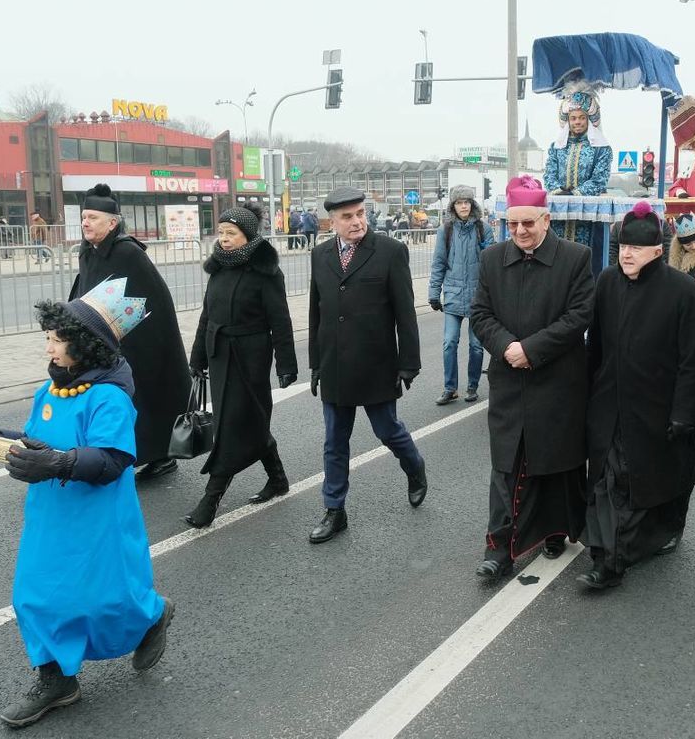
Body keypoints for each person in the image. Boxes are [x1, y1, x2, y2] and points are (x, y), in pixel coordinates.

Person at [0, 281, 173, 728]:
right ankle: (56, 680)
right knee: (32, 595)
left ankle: (152, 615)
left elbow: (113, 460)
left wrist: (57, 462)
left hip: (97, 518)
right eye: (48, 338)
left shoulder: (109, 397)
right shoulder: (49, 392)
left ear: (85, 346)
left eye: (56, 339)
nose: (48, 348)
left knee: (103, 598)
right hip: (50, 515)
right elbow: (35, 441)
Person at [579, 201, 695, 589]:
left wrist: (685, 414)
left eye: (636, 248)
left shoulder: (683, 291)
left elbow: (693, 360)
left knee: (650, 483)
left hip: (657, 410)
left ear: (656, 250)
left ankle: (626, 546)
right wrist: (587, 394)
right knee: (608, 480)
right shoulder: (606, 282)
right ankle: (608, 560)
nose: (627, 255)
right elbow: (596, 345)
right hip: (610, 405)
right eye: (622, 248)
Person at [470, 176, 594, 578]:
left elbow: (579, 316)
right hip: (509, 378)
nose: (520, 232)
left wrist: (532, 350)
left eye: (528, 223)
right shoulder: (492, 259)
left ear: (545, 219)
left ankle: (554, 530)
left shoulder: (575, 257)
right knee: (507, 464)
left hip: (557, 379)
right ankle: (499, 547)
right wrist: (508, 346)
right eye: (512, 224)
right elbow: (480, 313)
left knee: (554, 462)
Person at [307, 187, 427, 543]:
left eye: (360, 213)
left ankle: (415, 467)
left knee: (387, 430)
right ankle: (334, 510)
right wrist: (315, 364)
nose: (357, 221)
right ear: (333, 222)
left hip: (377, 363)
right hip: (334, 366)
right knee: (334, 441)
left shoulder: (390, 252)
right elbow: (317, 313)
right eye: (348, 216)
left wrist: (409, 364)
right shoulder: (320, 254)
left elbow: (405, 313)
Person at [185, 203, 297, 528]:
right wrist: (197, 358)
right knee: (249, 420)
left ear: (247, 235)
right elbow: (207, 317)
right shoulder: (218, 269)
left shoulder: (267, 273)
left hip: (250, 358)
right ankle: (278, 479)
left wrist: (285, 364)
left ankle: (211, 498)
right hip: (220, 356)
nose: (223, 239)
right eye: (220, 233)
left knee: (232, 426)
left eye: (230, 233)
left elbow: (281, 320)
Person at [69, 185, 191, 481]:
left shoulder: (128, 253)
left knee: (144, 402)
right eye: (84, 217)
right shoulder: (88, 254)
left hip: (137, 344)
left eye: (93, 218)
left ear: (112, 223)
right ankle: (101, 456)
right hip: (100, 344)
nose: (86, 222)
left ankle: (159, 456)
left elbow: (154, 301)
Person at [428, 185, 493, 405]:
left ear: (472, 204)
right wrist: (434, 293)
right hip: (454, 295)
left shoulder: (483, 229)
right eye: (459, 202)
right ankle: (450, 388)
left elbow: (491, 265)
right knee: (449, 343)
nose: (463, 206)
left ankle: (472, 386)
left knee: (476, 345)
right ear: (453, 206)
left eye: (466, 202)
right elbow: (438, 263)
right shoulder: (444, 231)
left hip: (478, 298)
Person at [543, 86, 613, 246]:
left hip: (587, 216)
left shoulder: (602, 148)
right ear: (568, 121)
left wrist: (575, 194)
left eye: (582, 117)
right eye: (573, 118)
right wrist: (559, 192)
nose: (577, 122)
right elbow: (549, 175)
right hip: (559, 214)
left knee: (585, 256)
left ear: (589, 119)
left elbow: (599, 180)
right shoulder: (557, 147)